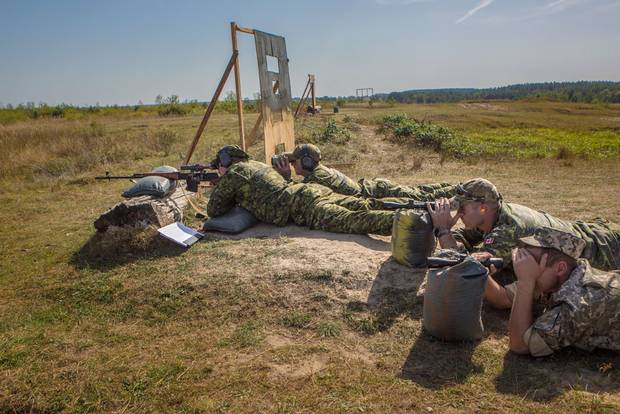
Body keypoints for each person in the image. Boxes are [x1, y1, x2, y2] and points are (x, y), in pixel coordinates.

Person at [428, 178, 620, 270]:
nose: (458, 212)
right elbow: (468, 239)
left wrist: (444, 231)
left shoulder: (509, 230)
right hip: (593, 232)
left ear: (483, 207)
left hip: (606, 250)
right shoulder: (495, 214)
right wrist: (453, 237)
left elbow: (467, 270)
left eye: (463, 207)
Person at [484, 227, 620, 356]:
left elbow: (520, 345)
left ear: (560, 268)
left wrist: (526, 282)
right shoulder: (560, 276)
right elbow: (503, 298)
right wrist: (479, 270)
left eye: (532, 261)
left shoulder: (580, 302)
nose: (524, 266)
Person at [205, 145, 395, 235]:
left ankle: (409, 222)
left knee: (353, 220)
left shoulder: (234, 173)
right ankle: (416, 208)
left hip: (303, 205)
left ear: (225, 163)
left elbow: (214, 210)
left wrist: (222, 182)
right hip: (311, 191)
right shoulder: (257, 164)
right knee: (366, 204)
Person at [272, 143, 456, 200]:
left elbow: (299, 195)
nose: (293, 164)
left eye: (294, 161)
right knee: (421, 192)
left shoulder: (317, 177)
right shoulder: (319, 172)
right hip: (373, 186)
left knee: (422, 196)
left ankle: (460, 190)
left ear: (306, 161)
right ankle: (457, 188)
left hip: (376, 190)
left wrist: (287, 178)